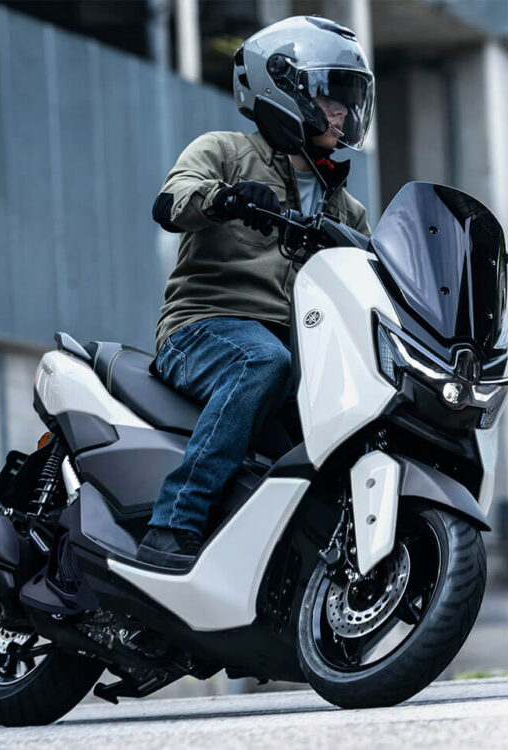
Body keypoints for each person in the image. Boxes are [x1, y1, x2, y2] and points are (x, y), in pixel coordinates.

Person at [137, 15, 375, 568]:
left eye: (350, 96)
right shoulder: (223, 151)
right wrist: (225, 199)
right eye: (331, 94)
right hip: (204, 327)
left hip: (297, 347)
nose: (342, 110)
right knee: (260, 362)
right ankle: (173, 525)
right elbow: (172, 202)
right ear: (284, 88)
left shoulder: (347, 210)